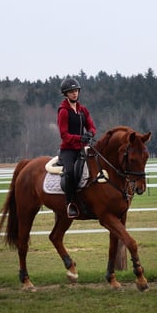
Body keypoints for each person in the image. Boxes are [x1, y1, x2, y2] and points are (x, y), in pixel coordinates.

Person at [57, 77, 96, 218]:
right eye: (71, 92)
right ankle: (70, 203)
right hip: (68, 150)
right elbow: (64, 135)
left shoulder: (83, 110)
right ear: (66, 94)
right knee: (70, 172)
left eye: (76, 91)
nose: (74, 94)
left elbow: (92, 126)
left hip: (83, 148)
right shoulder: (63, 111)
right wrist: (80, 138)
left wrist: (90, 133)